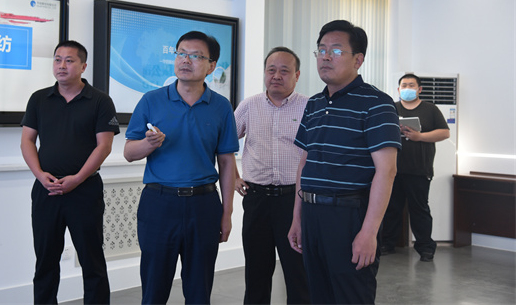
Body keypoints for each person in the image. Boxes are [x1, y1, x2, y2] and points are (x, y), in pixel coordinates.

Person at [287, 20, 401, 304]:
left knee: (351, 296)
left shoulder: (377, 103)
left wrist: (369, 232)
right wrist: (297, 218)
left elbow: (387, 171)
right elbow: (304, 163)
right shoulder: (313, 104)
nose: (325, 57)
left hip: (349, 216)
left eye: (336, 51)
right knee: (319, 296)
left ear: (358, 60)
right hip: (311, 215)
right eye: (321, 50)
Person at [123, 31, 239, 305]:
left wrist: (227, 213)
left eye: (195, 56)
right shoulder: (151, 100)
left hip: (204, 204)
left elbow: (226, 162)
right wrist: (149, 144)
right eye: (181, 54)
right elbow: (129, 153)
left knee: (199, 290)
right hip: (159, 203)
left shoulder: (221, 107)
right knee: (154, 288)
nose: (186, 60)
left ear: (211, 66)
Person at [20, 40, 120, 304]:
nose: (61, 65)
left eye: (69, 60)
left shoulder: (100, 101)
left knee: (92, 260)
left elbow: (104, 146)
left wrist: (77, 179)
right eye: (57, 59)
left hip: (85, 191)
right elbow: (27, 140)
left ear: (83, 66)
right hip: (46, 190)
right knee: (45, 261)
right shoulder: (39, 99)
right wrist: (40, 175)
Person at [234, 46, 310, 304]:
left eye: (284, 71)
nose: (276, 76)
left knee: (298, 273)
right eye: (271, 70)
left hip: (294, 201)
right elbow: (224, 144)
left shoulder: (309, 107)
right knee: (256, 272)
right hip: (256, 199)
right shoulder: (249, 106)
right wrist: (234, 176)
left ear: (297, 75)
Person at [381, 73, 450, 262]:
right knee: (391, 208)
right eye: (404, 85)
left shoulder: (430, 109)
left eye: (411, 85)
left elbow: (445, 133)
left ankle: (425, 248)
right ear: (398, 89)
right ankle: (387, 243)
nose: (407, 88)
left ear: (419, 89)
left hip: (419, 169)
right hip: (393, 169)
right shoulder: (391, 108)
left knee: (419, 210)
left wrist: (420, 137)